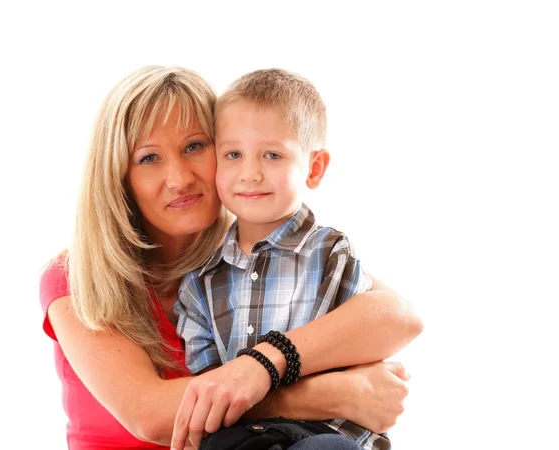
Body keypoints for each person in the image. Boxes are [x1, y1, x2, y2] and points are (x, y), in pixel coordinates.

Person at [39, 65, 422, 450]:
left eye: (194, 147)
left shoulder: (253, 248)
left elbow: (398, 316)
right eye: (149, 158)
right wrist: (329, 395)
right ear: (118, 175)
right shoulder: (74, 275)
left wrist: (263, 362)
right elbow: (150, 414)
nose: (180, 178)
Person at [172, 69, 416, 450]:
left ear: (314, 168)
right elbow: (211, 386)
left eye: (272, 155)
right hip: (241, 438)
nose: (250, 174)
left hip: (321, 433)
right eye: (233, 155)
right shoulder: (200, 284)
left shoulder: (331, 256)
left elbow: (365, 352)